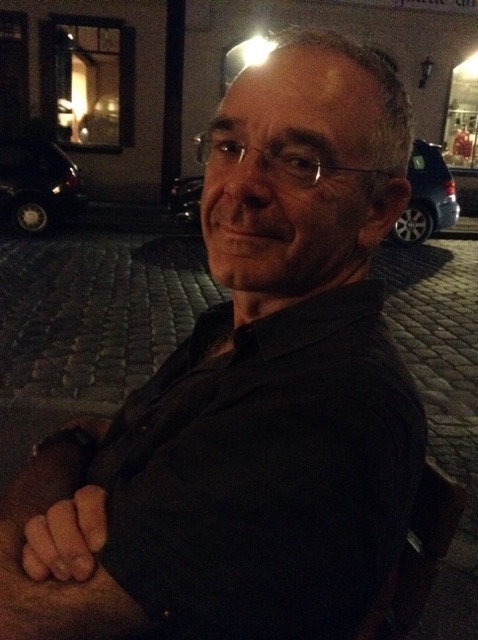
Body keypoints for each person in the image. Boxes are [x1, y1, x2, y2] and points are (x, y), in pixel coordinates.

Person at [0, 28, 427, 639]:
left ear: (380, 209)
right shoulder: (242, 329)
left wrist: (61, 461)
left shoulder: (324, 407)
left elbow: (15, 613)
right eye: (229, 146)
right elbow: (106, 434)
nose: (240, 185)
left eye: (300, 162)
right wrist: (75, 447)